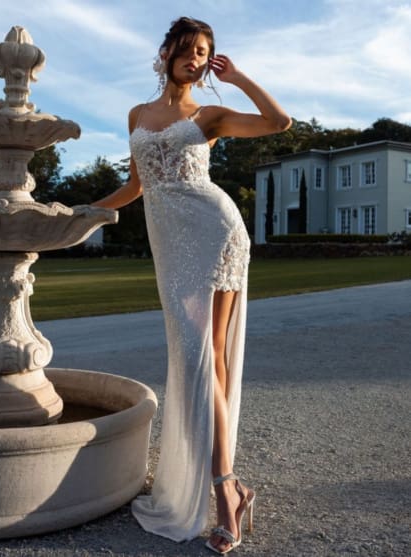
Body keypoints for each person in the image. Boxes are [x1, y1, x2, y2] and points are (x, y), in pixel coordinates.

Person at [93, 16, 291, 554]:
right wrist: (83, 212)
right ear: (167, 52)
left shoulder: (210, 114)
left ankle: (225, 493)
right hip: (170, 246)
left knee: (205, 357)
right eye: (187, 47)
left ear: (210, 60)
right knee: (204, 359)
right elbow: (136, 185)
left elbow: (279, 122)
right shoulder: (137, 114)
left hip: (216, 232)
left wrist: (240, 77)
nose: (195, 56)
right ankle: (234, 486)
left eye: (205, 51)